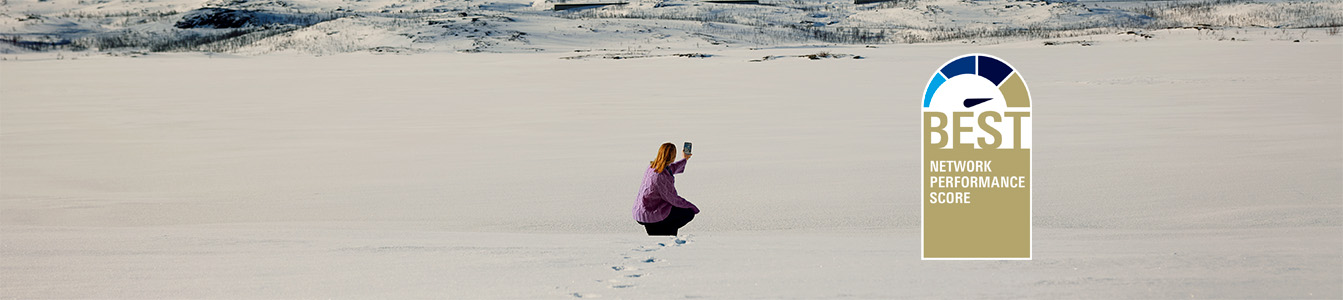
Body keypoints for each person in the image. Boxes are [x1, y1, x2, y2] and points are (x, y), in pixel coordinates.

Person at [632, 142, 699, 236]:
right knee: (688, 213)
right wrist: (691, 206)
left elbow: (671, 168)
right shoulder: (660, 176)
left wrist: (685, 159)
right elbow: (672, 198)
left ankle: (662, 231)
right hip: (649, 213)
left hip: (642, 211)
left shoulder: (653, 167)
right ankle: (666, 233)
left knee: (675, 210)